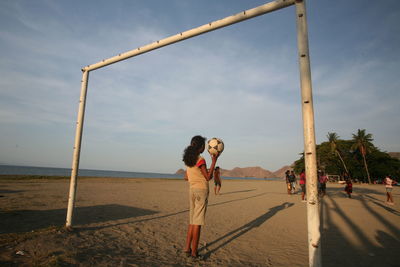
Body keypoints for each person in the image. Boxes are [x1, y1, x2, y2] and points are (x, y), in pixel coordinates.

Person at [183, 135, 218, 259]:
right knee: (197, 222)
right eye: (204, 145)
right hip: (201, 191)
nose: (205, 147)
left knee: (192, 221)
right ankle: (194, 253)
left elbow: (186, 177)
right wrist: (214, 162)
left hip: (192, 190)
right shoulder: (200, 159)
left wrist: (197, 175)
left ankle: (187, 248)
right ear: (201, 147)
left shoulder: (188, 160)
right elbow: (208, 177)